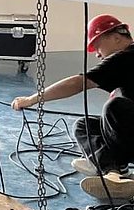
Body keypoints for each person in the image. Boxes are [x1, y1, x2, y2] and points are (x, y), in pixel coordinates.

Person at [12, 14, 134, 200]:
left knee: (116, 107)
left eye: (98, 46)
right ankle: (114, 173)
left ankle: (106, 165)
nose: (97, 54)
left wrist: (31, 100)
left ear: (116, 38)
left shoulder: (125, 58)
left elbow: (76, 84)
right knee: (85, 126)